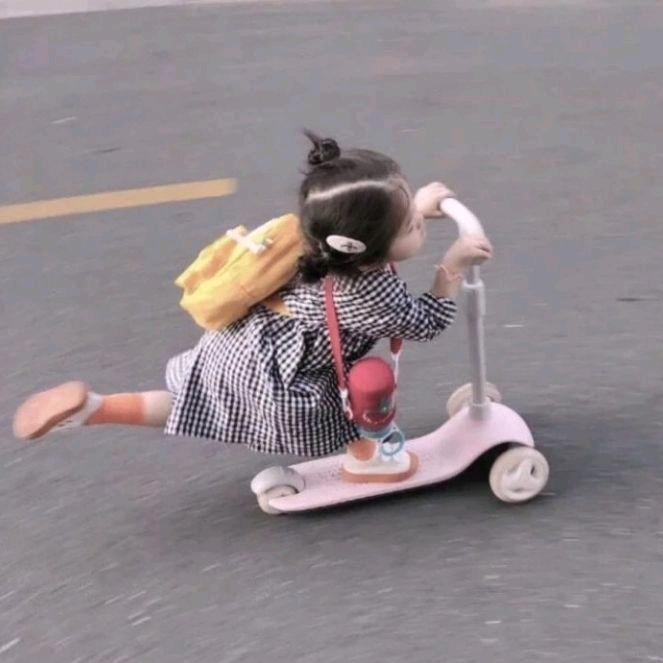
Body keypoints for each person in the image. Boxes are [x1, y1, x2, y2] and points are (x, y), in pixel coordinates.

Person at [12, 132, 492, 481]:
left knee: (192, 401)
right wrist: (451, 266)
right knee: (360, 389)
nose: (418, 225)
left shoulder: (319, 242)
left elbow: (376, 233)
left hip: (244, 344)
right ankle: (367, 458)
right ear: (360, 245)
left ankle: (95, 408)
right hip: (284, 378)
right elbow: (425, 322)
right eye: (410, 225)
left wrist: (413, 207)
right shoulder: (368, 293)